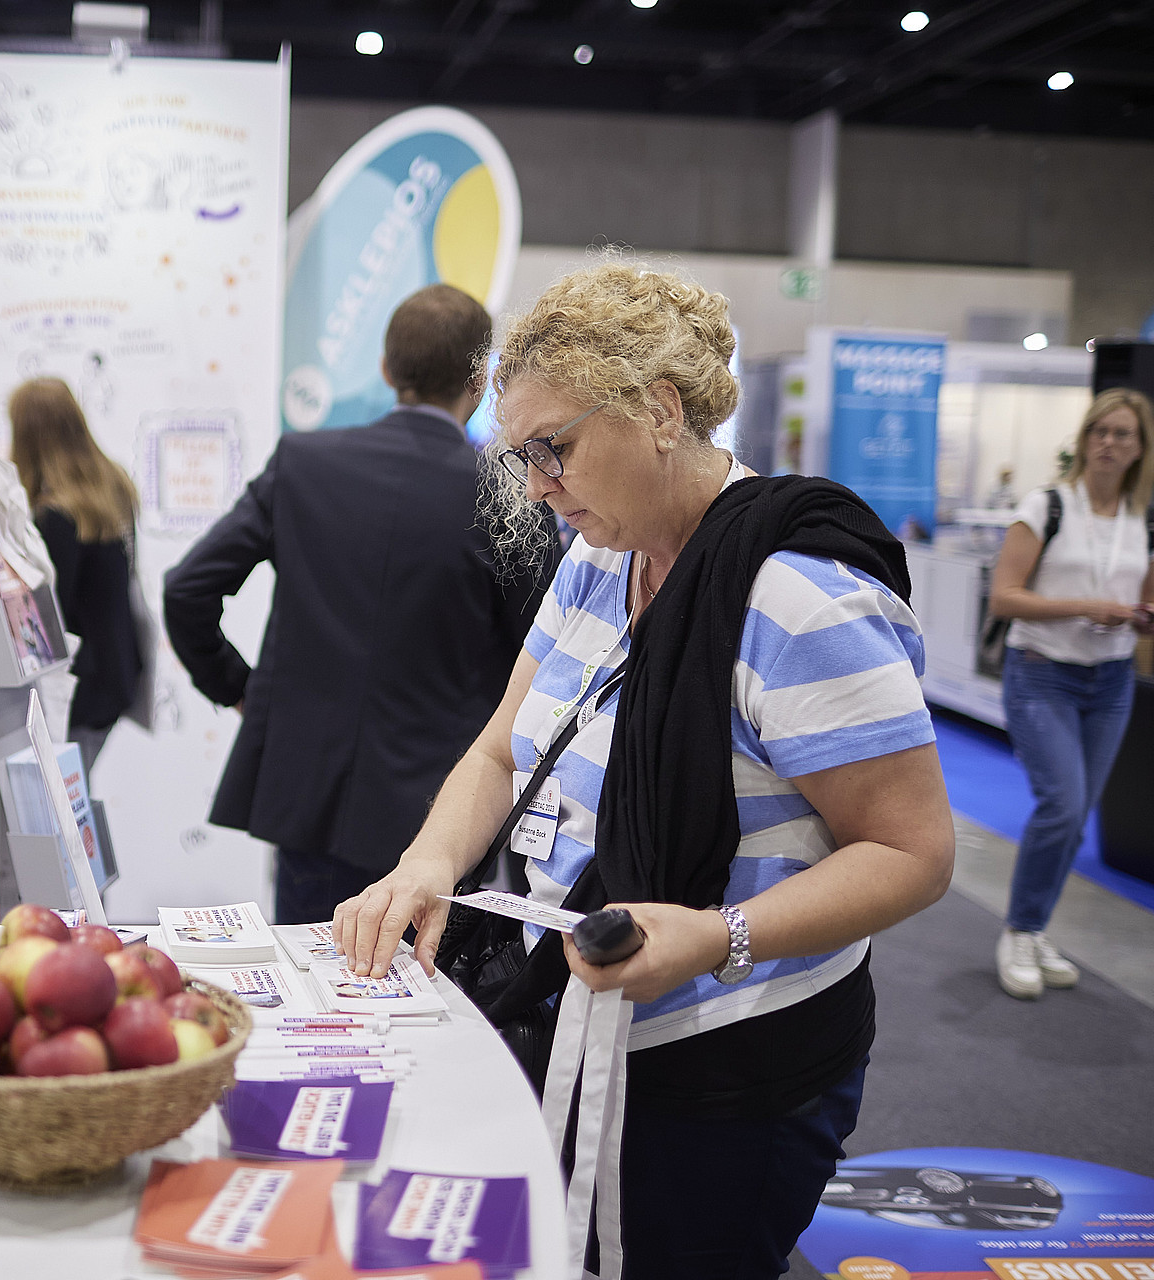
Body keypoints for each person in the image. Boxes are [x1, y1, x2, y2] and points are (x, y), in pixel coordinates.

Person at [333, 264, 956, 1276]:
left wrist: (720, 934)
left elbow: (915, 851)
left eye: (556, 448)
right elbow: (503, 744)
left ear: (662, 412)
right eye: (521, 455)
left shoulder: (799, 601)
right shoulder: (598, 558)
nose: (536, 484)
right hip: (581, 1043)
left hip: (729, 1078)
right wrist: (427, 860)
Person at [163, 284, 555, 925]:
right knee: (428, 1008)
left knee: (310, 1000)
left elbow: (187, 590)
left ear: (386, 368)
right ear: (482, 380)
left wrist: (241, 690)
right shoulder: (508, 494)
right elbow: (540, 654)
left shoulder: (303, 463)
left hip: (310, 798)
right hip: (443, 813)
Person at [986, 388, 1154, 1000]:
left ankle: (1035, 927)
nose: (1110, 443)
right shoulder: (1046, 507)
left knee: (1075, 818)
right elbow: (1004, 596)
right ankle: (1017, 931)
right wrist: (1087, 607)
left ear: (1141, 449)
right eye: (1101, 431)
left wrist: (1148, 620)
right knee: (1062, 806)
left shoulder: (1149, 521)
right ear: (1085, 439)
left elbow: (1153, 604)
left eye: (1123, 435)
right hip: (1042, 673)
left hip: (1112, 682)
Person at [7, 377, 142, 776]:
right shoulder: (112, 485)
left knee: (61, 817)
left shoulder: (57, 516)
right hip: (114, 673)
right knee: (76, 801)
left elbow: (50, 615)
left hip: (80, 687)